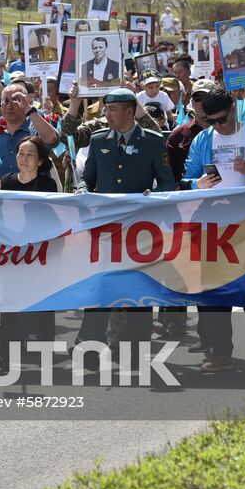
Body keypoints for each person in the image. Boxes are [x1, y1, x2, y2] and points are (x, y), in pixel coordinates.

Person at [182, 87, 245, 372]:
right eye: (209, 121)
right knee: (211, 286)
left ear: (233, 111)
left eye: (220, 120)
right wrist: (196, 184)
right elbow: (186, 178)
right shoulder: (202, 139)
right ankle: (219, 351)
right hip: (211, 220)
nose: (216, 126)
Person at [77, 88, 176, 354]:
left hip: (139, 229)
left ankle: (138, 349)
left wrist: (151, 196)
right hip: (106, 227)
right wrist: (83, 191)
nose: (106, 115)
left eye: (112, 110)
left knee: (138, 290)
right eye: (106, 109)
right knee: (101, 287)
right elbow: (88, 178)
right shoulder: (98, 141)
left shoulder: (153, 142)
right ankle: (90, 345)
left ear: (130, 112)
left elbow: (168, 182)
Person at [0, 136, 59, 360]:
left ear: (40, 161)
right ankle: (7, 350)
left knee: (42, 303)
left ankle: (44, 347)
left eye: (30, 155)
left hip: (38, 254)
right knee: (10, 302)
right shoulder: (6, 181)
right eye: (21, 153)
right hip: (11, 254)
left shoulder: (47, 186)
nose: (24, 158)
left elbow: (54, 220)